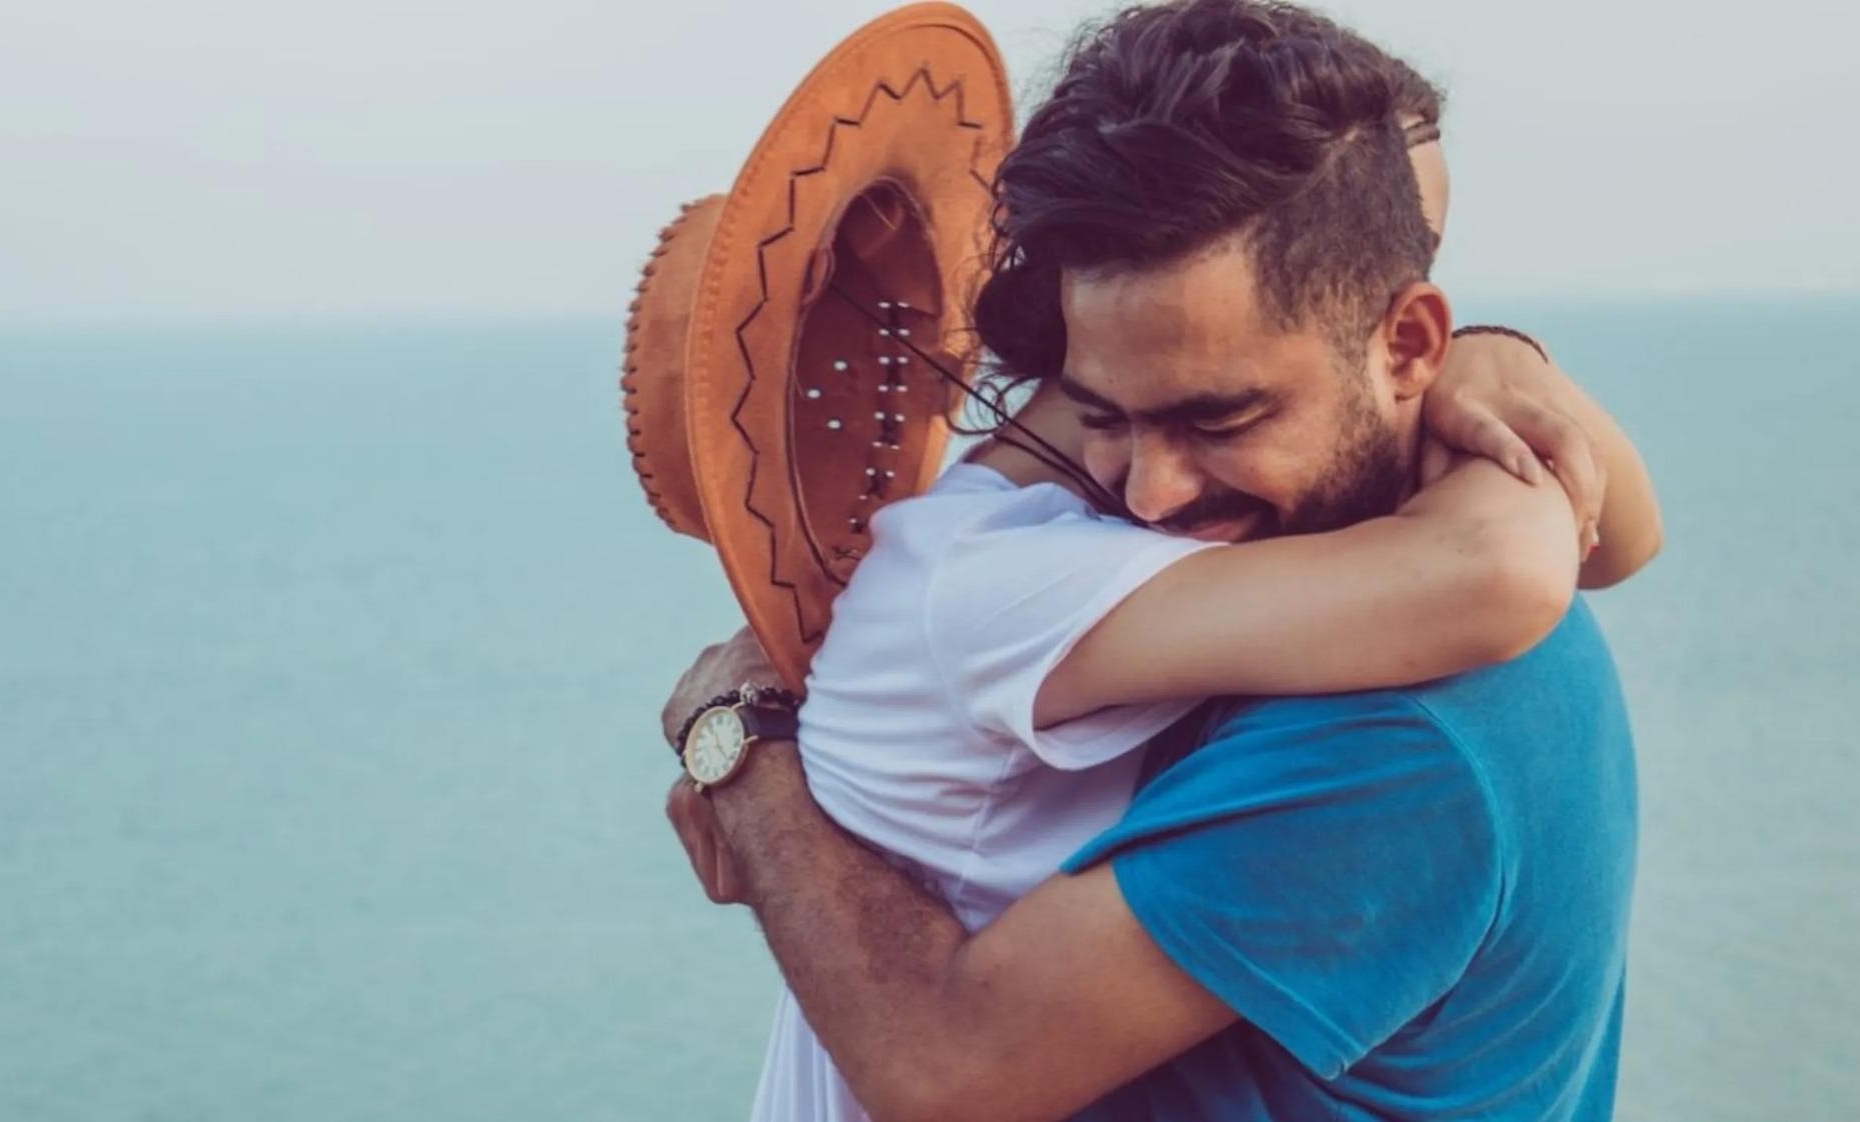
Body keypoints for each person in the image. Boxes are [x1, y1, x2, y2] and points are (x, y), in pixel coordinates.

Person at [661, 3, 1660, 1120]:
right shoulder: (1181, 582)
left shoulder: (1392, 737)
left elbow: (949, 1072)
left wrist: (745, 754)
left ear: (1408, 343)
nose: (1150, 492)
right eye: (1105, 414)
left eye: (1220, 418)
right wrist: (1501, 367)